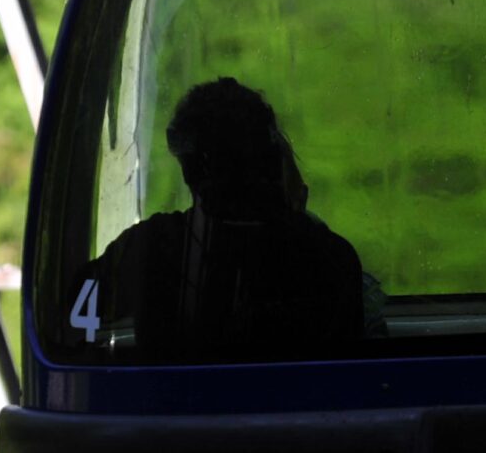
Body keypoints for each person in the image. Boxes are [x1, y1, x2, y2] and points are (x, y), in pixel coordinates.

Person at [87, 77, 371, 362]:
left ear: (190, 173)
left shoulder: (148, 249)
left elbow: (72, 311)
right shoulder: (332, 258)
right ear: (273, 159)